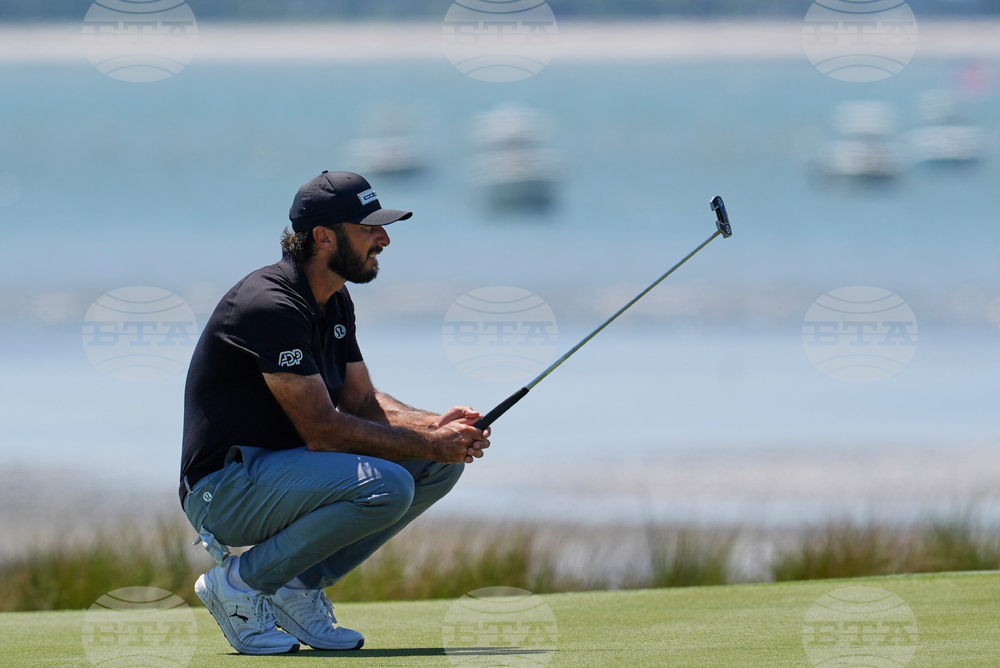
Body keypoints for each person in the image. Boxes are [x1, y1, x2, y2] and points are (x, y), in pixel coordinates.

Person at [178, 170, 491, 655]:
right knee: (388, 485)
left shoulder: (334, 299)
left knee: (437, 466)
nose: (384, 239)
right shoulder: (269, 305)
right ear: (324, 237)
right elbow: (323, 430)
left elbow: (361, 401)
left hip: (284, 473)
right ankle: (238, 584)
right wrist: (430, 440)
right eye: (369, 229)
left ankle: (296, 588)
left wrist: (438, 429)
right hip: (223, 490)